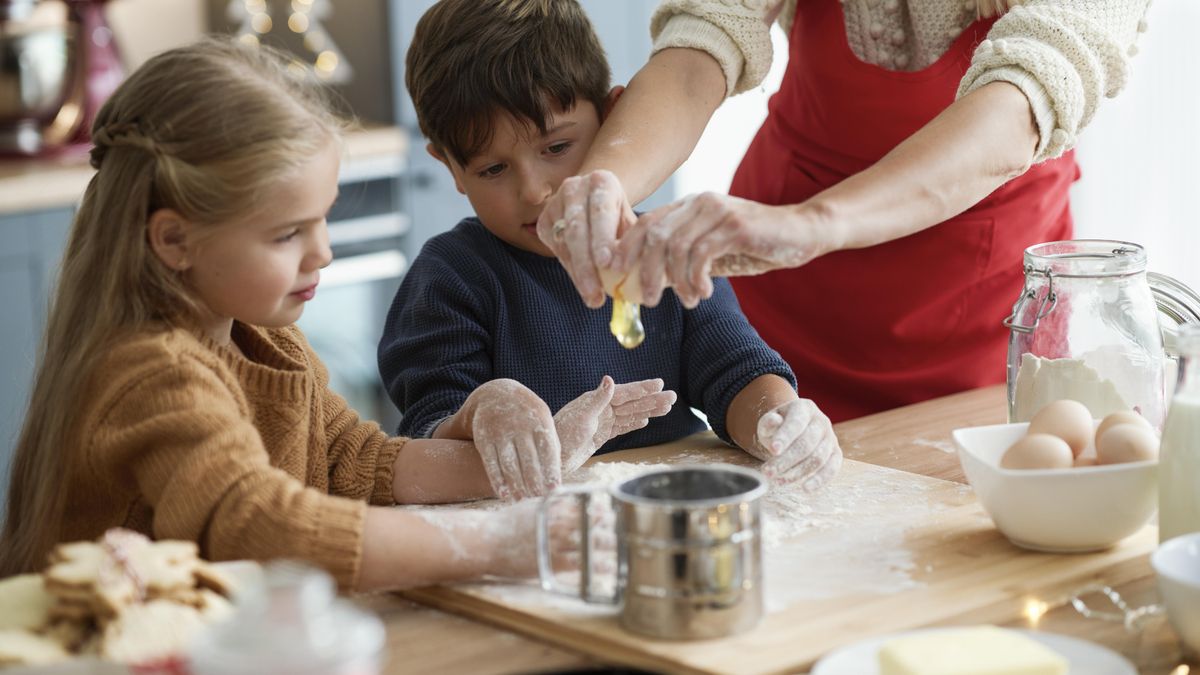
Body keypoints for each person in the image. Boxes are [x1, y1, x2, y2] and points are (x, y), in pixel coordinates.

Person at [0, 38, 657, 590]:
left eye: (323, 219)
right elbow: (259, 524)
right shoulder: (150, 373)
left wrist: (529, 462)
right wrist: (495, 542)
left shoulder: (265, 341)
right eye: (287, 233)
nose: (323, 252)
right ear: (174, 241)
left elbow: (353, 461)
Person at [535, 0, 1152, 421]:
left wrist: (815, 224)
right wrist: (604, 180)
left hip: (980, 314)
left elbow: (1029, 93)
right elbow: (703, 36)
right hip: (785, 303)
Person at [379, 0, 842, 490]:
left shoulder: (660, 250)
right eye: (493, 169)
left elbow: (736, 371)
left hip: (667, 509)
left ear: (613, 117)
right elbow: (429, 433)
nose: (534, 191)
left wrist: (781, 422)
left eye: (557, 148)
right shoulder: (450, 277)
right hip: (526, 531)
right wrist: (479, 413)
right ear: (450, 168)